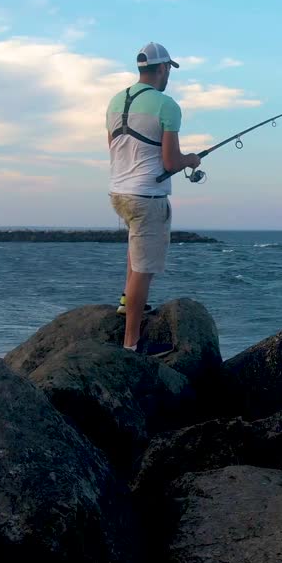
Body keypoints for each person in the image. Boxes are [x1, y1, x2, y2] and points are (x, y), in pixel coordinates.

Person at [106, 41, 201, 353]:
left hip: (119, 192)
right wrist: (191, 160)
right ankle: (131, 345)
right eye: (168, 69)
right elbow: (171, 162)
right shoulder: (166, 105)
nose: (168, 75)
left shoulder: (116, 101)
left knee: (137, 247)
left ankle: (126, 302)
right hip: (147, 196)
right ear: (162, 69)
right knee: (144, 270)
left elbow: (114, 148)